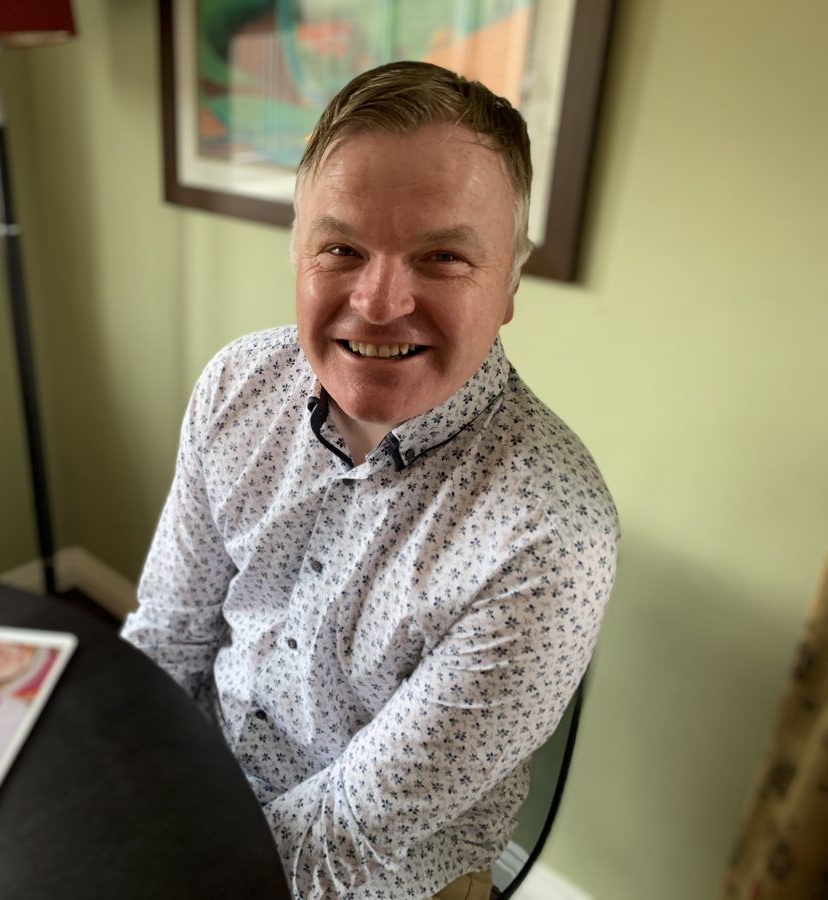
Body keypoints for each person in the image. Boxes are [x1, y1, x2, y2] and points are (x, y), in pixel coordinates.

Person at [122, 60, 618, 900]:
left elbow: (347, 837)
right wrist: (111, 791)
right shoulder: (236, 388)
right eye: (342, 247)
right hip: (198, 792)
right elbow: (167, 636)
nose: (381, 302)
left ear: (510, 283)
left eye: (444, 256)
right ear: (298, 251)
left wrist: (146, 867)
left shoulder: (550, 536)